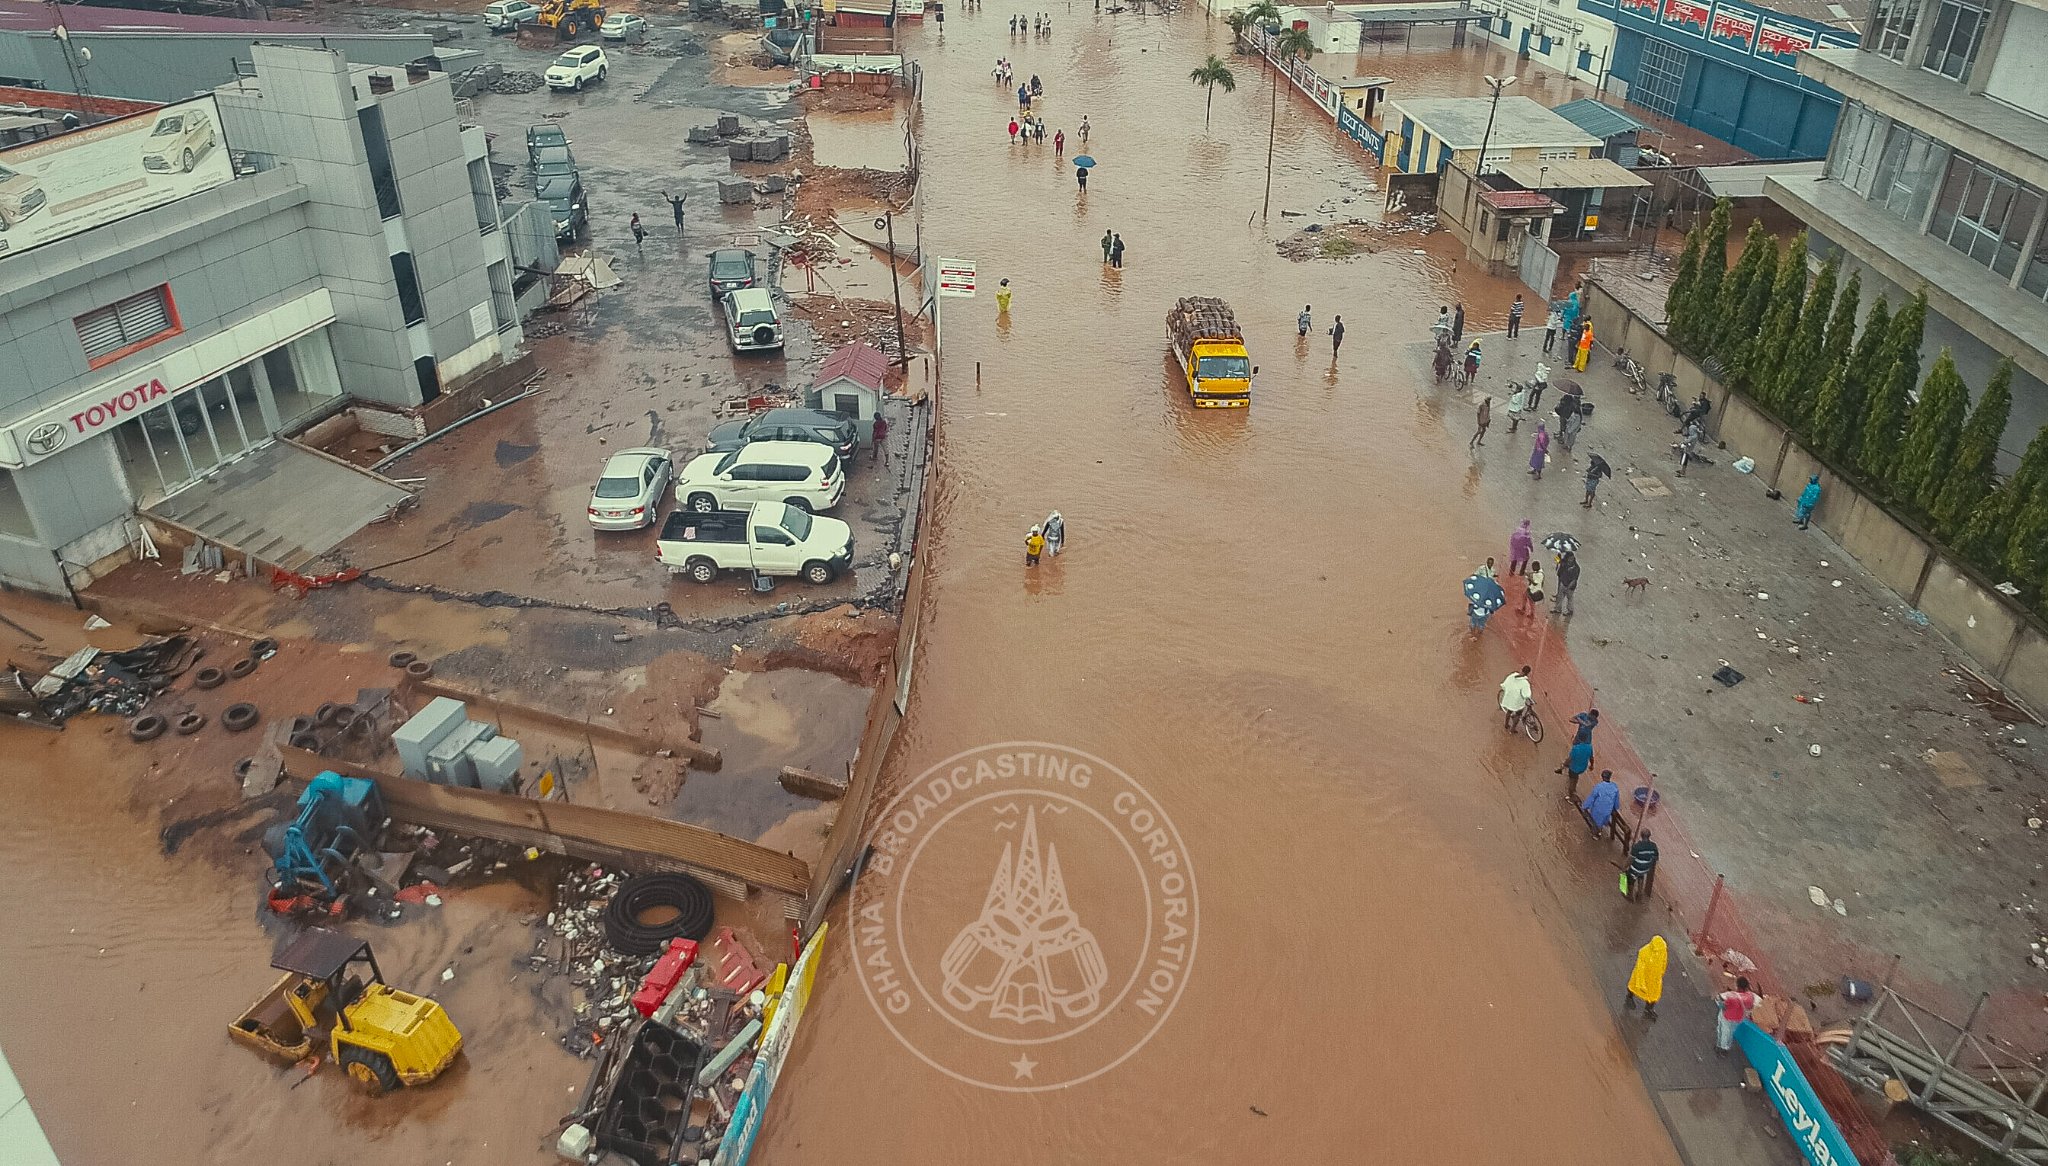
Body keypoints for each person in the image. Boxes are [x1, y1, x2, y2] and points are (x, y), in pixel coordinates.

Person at [1625, 936, 1668, 1021]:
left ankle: (1649, 1008)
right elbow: (1640, 969)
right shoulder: (1644, 952)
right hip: (1645, 977)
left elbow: (1664, 962)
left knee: (1653, 995)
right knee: (1635, 987)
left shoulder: (1663, 951)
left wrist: (1660, 973)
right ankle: (1630, 997)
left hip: (1654, 978)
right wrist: (1641, 982)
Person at [1716, 977, 1760, 1054]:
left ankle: (1722, 1047)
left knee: (1724, 1032)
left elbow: (1723, 1005)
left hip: (1727, 1017)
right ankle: (1726, 1046)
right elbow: (1750, 1007)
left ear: (1738, 986)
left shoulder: (1731, 997)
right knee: (1730, 1032)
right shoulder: (1750, 997)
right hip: (1738, 1019)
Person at [1625, 829, 1660, 900]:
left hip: (1636, 868)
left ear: (1641, 835)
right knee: (1641, 876)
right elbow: (1656, 857)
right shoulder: (1653, 846)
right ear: (1649, 836)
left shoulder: (1637, 846)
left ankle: (1630, 895)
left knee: (1631, 879)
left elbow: (1631, 859)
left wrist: (1624, 867)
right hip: (1646, 868)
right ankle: (1639, 893)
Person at [1499, 665, 1533, 732]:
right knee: (1518, 713)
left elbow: (1505, 684)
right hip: (1517, 701)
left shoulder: (1512, 676)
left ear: (1521, 669)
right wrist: (1528, 698)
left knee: (1509, 711)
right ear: (1528, 673)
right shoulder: (1525, 683)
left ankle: (1506, 724)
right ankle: (1512, 729)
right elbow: (1526, 694)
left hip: (1510, 697)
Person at [1552, 550, 1581, 616]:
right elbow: (1558, 561)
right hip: (1563, 583)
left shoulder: (1576, 568)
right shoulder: (1564, 562)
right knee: (1560, 597)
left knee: (1569, 598)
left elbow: (1574, 580)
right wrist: (1558, 556)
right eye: (1570, 558)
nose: (1571, 560)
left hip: (1570, 586)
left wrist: (1569, 587)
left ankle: (1570, 610)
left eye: (1572, 558)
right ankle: (1558, 609)